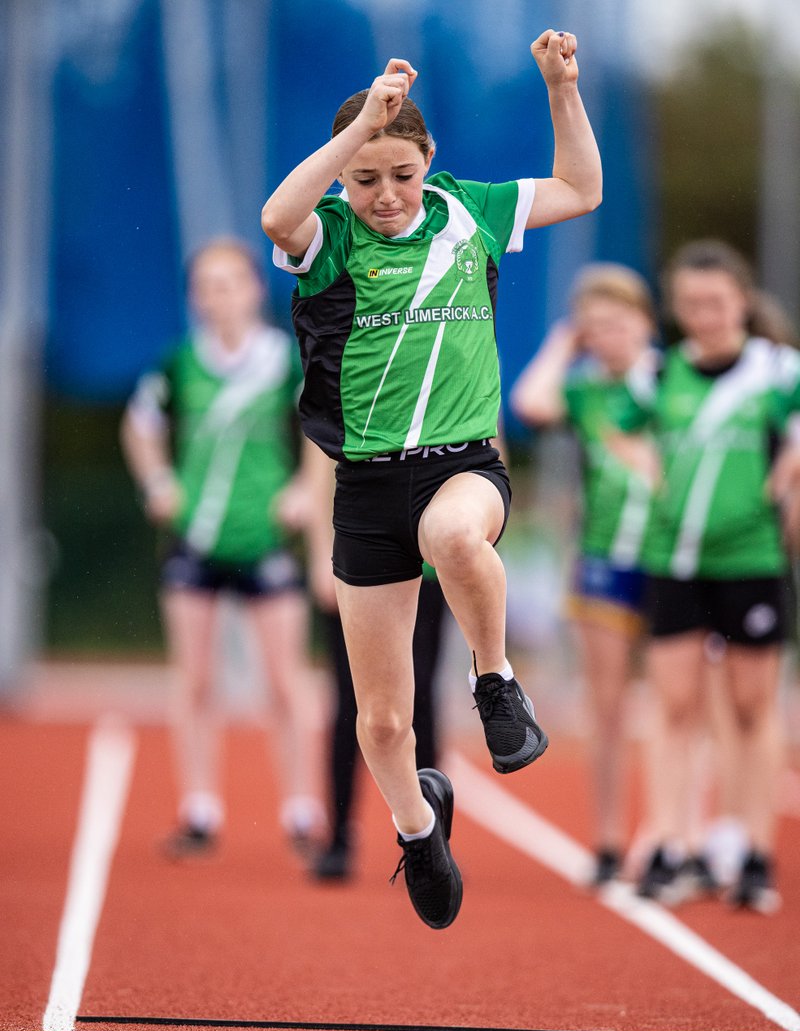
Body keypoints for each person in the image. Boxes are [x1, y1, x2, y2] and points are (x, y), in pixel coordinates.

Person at [260, 31, 601, 929]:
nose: (385, 195)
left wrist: (562, 89)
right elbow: (274, 217)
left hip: (463, 464)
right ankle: (418, 829)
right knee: (380, 726)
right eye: (367, 178)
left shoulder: (470, 209)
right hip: (366, 487)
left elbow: (581, 188)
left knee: (454, 539)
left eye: (401, 174)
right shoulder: (327, 235)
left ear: (429, 163)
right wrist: (356, 132)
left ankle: (496, 683)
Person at [612, 240, 800, 912]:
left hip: (751, 558)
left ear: (742, 303)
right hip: (676, 558)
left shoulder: (776, 371)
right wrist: (647, 471)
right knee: (674, 705)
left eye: (717, 303)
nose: (705, 315)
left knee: (753, 708)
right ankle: (672, 842)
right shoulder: (660, 375)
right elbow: (620, 427)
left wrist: (788, 480)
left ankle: (754, 849)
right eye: (691, 304)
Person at [121, 238, 325, 856]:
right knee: (195, 679)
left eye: (231, 282)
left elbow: (322, 429)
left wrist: (303, 491)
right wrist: (157, 482)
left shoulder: (283, 361)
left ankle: (301, 810)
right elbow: (140, 425)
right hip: (195, 537)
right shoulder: (179, 362)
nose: (221, 295)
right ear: (195, 297)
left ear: (255, 290)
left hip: (266, 536)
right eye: (208, 285)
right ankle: (200, 810)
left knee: (285, 682)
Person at [512, 265, 657, 885]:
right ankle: (608, 838)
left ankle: (673, 835)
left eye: (618, 324)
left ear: (645, 325)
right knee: (608, 706)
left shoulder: (672, 382)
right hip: (602, 558)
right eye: (594, 327)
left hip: (676, 557)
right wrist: (564, 343)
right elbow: (529, 404)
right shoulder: (586, 388)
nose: (607, 337)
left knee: (688, 705)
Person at [300, 436, 449, 881]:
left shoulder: (466, 366)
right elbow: (318, 462)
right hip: (358, 563)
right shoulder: (351, 365)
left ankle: (431, 839)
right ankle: (340, 835)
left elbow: (489, 459)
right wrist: (319, 554)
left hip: (429, 567)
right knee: (351, 703)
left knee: (422, 696)